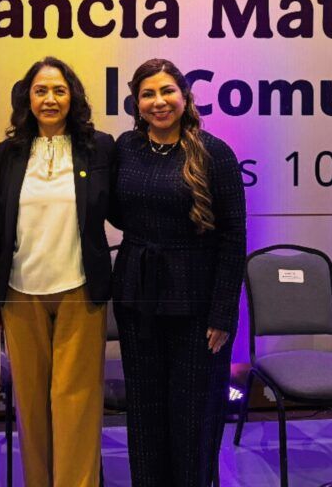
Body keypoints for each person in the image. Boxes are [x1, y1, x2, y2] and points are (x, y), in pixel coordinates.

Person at [112, 58, 246, 487]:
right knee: (145, 417)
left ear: (185, 97)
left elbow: (233, 238)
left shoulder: (214, 152)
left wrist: (222, 314)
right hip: (138, 299)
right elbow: (116, 209)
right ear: (136, 102)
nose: (159, 102)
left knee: (193, 422)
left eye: (167, 91)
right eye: (148, 94)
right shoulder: (126, 147)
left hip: (198, 307)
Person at [0, 57, 113, 487]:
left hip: (80, 290)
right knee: (29, 404)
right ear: (27, 97)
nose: (50, 99)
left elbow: (119, 207)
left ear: (72, 97)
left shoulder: (99, 147)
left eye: (59, 91)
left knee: (76, 403)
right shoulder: (7, 153)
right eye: (41, 90)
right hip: (20, 291)